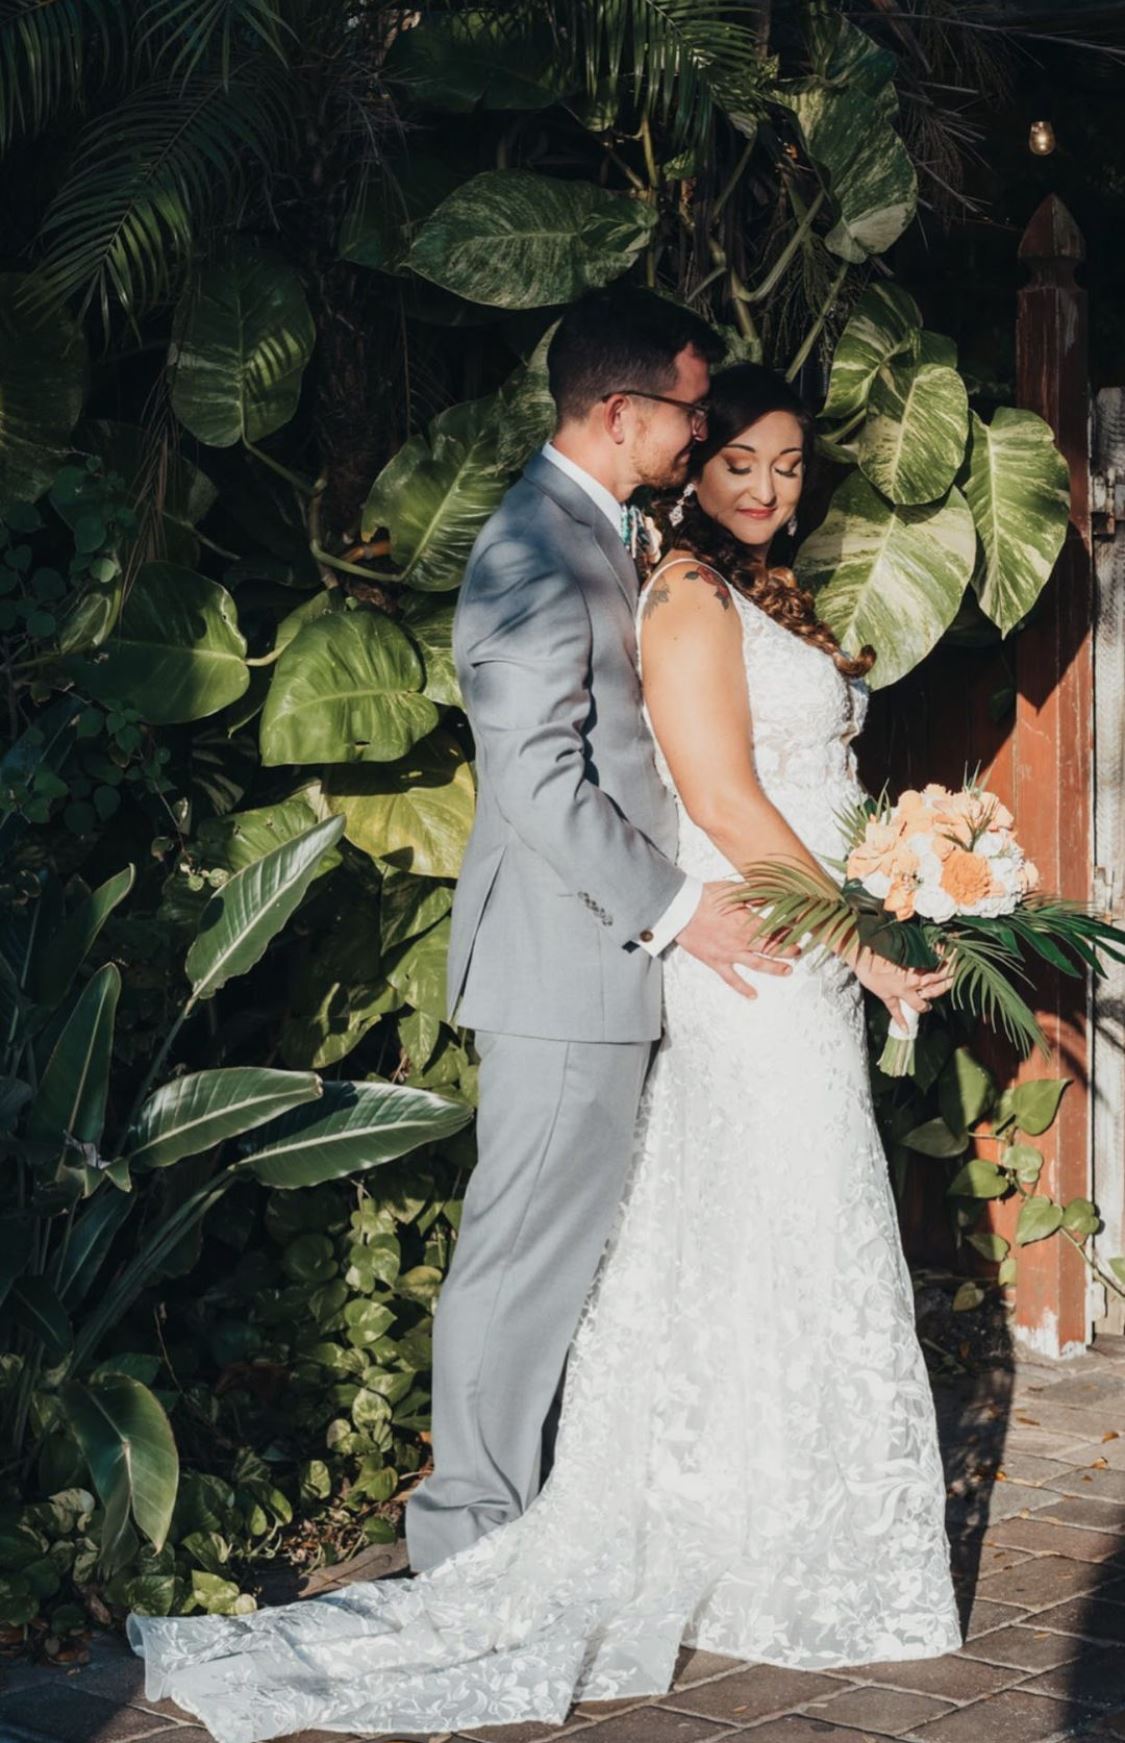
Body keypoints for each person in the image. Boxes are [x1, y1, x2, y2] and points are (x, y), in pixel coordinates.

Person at [128, 360, 961, 1743]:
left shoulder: (651, 555)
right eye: (720, 442)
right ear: (643, 424)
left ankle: (746, 1521)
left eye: (781, 464)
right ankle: (474, 1549)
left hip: (723, 940)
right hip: (678, 938)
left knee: (719, 1237)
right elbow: (624, 783)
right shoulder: (581, 555)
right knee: (544, 1251)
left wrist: (890, 880)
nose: (748, 474)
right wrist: (821, 928)